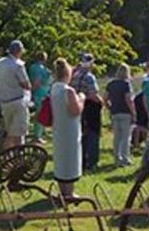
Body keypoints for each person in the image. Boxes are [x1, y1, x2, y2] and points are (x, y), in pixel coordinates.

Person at [51, 58, 85, 198]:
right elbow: (75, 111)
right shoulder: (68, 91)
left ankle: (62, 191)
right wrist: (82, 98)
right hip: (70, 129)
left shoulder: (54, 88)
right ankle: (69, 192)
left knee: (60, 158)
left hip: (58, 127)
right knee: (70, 158)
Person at [0, 40, 31, 151]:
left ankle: (13, 155)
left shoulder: (1, 62)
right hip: (18, 101)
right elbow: (26, 84)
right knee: (18, 133)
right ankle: (15, 156)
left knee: (10, 130)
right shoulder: (18, 65)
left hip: (4, 101)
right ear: (19, 51)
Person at [71, 53, 103, 172]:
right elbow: (92, 94)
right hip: (90, 107)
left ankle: (82, 160)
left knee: (82, 134)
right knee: (93, 134)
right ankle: (92, 162)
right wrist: (101, 102)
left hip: (79, 105)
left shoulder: (75, 76)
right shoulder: (89, 77)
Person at [105, 63, 136, 167]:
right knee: (126, 137)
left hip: (114, 112)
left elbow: (105, 98)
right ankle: (125, 158)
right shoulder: (126, 84)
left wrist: (109, 107)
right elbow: (129, 100)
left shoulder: (110, 84)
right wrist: (133, 112)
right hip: (125, 112)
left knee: (117, 137)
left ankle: (116, 158)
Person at [28, 51, 52, 143]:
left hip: (37, 93)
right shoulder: (41, 69)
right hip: (41, 93)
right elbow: (37, 81)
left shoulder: (32, 67)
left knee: (39, 114)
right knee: (40, 114)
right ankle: (37, 136)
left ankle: (39, 133)